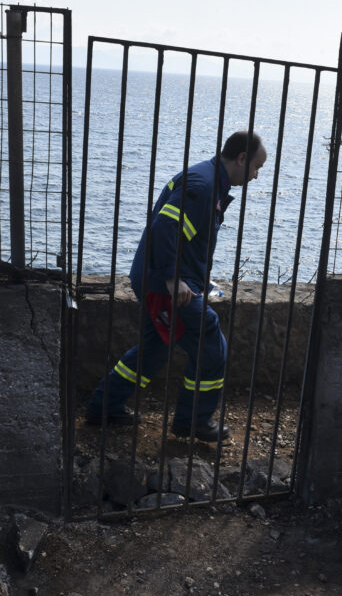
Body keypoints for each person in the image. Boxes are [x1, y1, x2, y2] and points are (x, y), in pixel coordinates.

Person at [86, 131, 267, 442]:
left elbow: (185, 236)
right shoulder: (204, 186)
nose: (256, 175)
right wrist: (174, 278)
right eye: (256, 167)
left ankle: (104, 407)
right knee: (210, 340)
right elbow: (165, 227)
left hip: (159, 277)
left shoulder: (209, 179)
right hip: (164, 283)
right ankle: (193, 420)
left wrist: (194, 277)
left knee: (154, 349)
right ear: (241, 158)